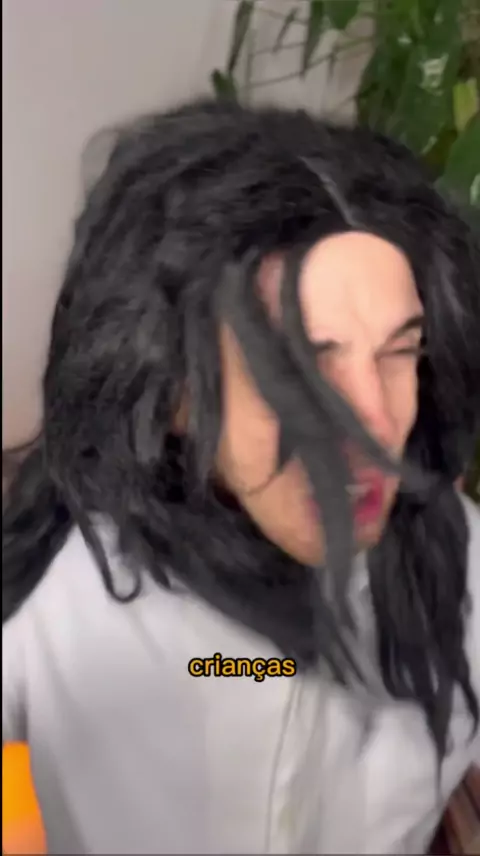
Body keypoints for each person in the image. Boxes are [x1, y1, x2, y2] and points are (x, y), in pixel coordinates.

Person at [2, 99, 480, 855]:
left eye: (400, 352)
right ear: (174, 393)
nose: (375, 426)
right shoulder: (59, 596)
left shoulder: (465, 565)